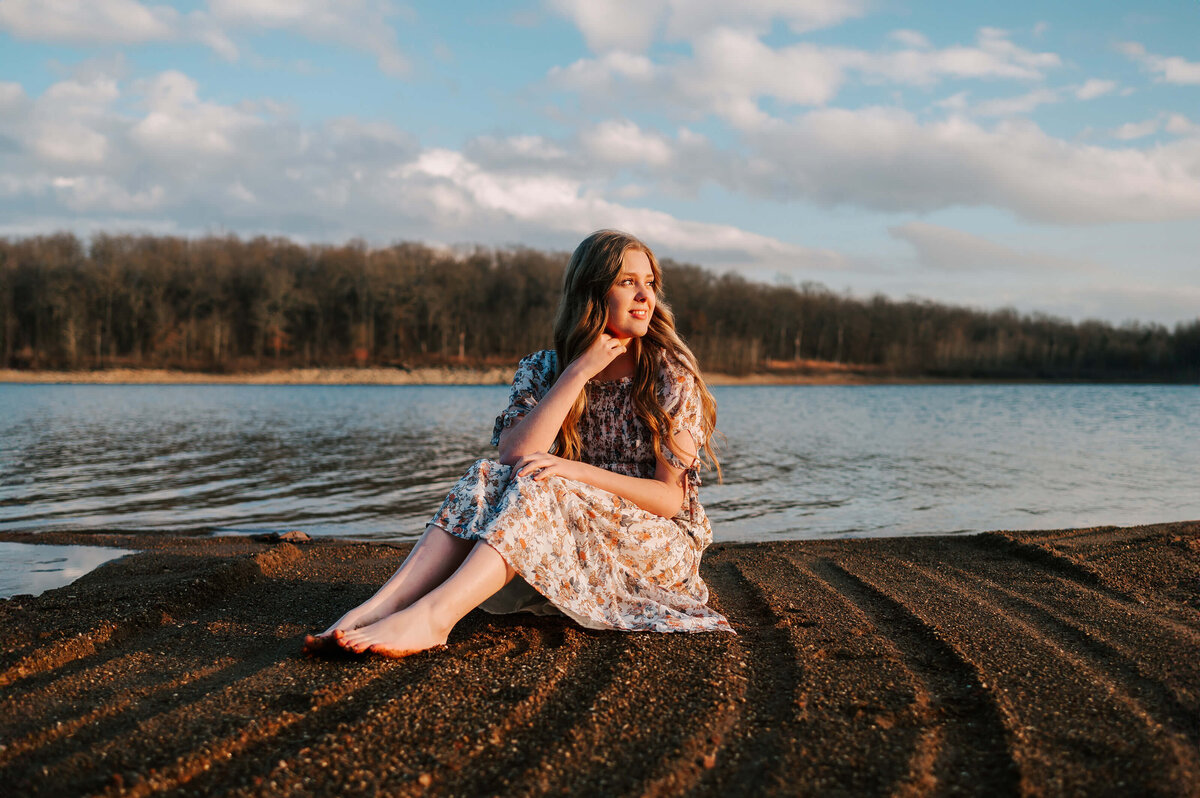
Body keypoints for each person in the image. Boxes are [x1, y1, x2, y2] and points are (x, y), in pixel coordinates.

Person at [304, 229, 732, 659]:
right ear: (592, 292)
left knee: (543, 479)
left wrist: (573, 471)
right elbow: (513, 455)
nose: (644, 295)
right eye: (627, 282)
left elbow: (669, 500)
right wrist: (577, 372)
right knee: (486, 476)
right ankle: (382, 606)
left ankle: (434, 617)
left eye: (649, 282)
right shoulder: (544, 368)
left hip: (655, 545)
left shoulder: (668, 375)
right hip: (570, 524)